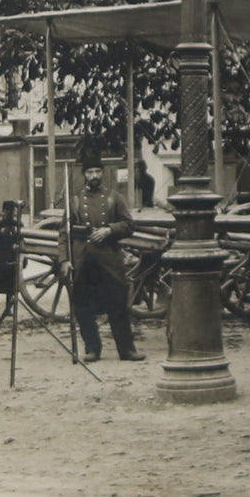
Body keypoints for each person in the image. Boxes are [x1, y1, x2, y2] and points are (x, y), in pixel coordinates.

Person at [64, 149, 145, 362]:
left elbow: (129, 224)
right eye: (89, 172)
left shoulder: (114, 198)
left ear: (102, 173)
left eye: (97, 171)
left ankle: (127, 350)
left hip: (109, 259)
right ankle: (92, 349)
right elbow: (64, 232)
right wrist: (64, 259)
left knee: (118, 304)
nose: (93, 176)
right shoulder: (73, 200)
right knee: (83, 306)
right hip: (83, 259)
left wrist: (110, 230)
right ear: (84, 175)